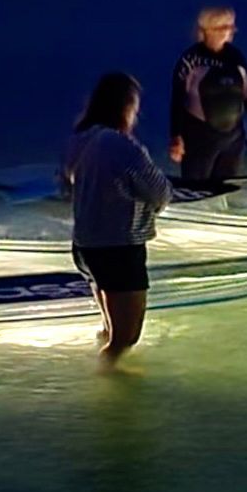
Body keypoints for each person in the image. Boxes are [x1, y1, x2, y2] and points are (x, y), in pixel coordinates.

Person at [60, 73, 173, 365]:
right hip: (119, 247)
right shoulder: (121, 146)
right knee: (125, 338)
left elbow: (64, 187)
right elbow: (159, 192)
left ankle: (100, 376)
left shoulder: (79, 140)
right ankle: (108, 394)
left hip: (85, 246)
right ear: (125, 106)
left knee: (110, 330)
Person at [167, 6, 247, 184]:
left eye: (232, 26)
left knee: (224, 190)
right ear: (209, 30)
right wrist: (176, 137)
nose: (233, 31)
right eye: (226, 27)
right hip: (199, 138)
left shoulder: (236, 57)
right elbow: (177, 99)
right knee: (196, 190)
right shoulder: (191, 60)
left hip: (233, 139)